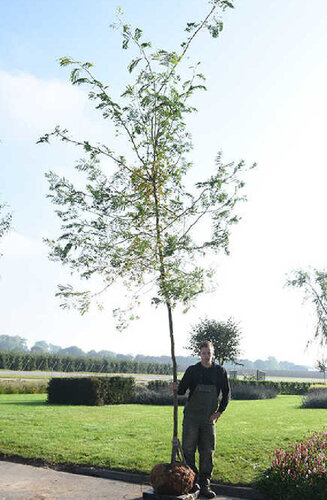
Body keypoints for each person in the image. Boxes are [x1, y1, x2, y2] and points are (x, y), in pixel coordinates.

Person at [172, 341, 230, 499]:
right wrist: (176, 388)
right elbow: (182, 390)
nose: (206, 356)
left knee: (207, 451)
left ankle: (205, 484)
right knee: (188, 449)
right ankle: (193, 481)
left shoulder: (220, 372)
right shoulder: (192, 371)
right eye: (204, 353)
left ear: (213, 354)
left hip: (208, 419)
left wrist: (219, 412)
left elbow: (226, 393)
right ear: (200, 354)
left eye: (209, 353)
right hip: (191, 417)